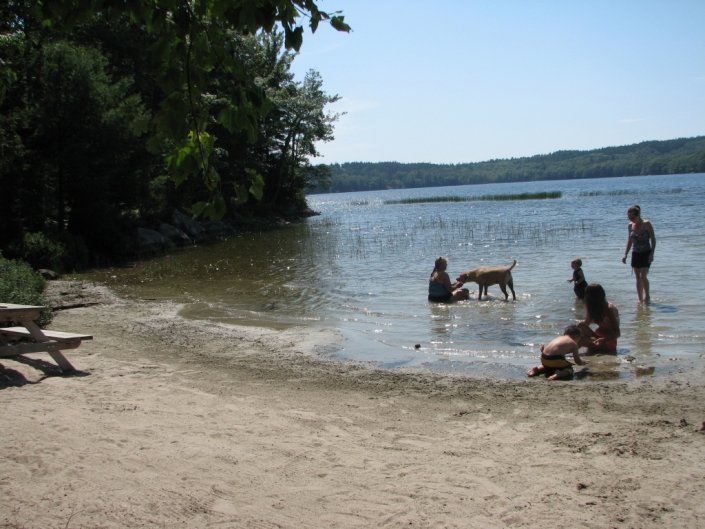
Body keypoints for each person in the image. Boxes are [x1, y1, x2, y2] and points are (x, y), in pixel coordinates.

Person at [621, 204, 656, 303]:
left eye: (632, 217)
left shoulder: (646, 224)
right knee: (637, 277)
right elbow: (630, 241)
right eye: (629, 217)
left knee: (643, 275)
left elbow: (653, 239)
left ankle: (647, 296)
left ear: (638, 215)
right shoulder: (630, 225)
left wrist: (652, 253)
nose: (631, 219)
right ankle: (640, 299)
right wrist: (625, 254)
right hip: (635, 253)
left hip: (646, 252)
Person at [578, 283, 620, 353]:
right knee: (580, 326)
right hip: (597, 335)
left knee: (581, 340)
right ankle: (567, 351)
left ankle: (565, 353)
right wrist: (573, 334)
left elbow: (617, 333)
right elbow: (586, 323)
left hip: (608, 340)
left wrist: (604, 339)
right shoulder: (592, 307)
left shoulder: (609, 309)